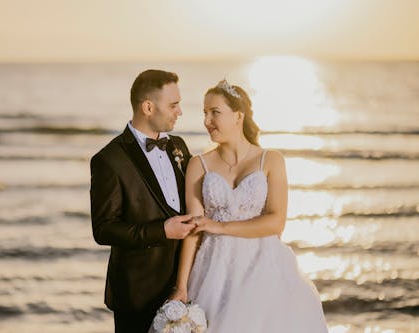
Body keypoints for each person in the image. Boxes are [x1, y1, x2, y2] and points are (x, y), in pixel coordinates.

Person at [169, 80, 328, 332]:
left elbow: (276, 222)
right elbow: (193, 231)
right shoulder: (198, 165)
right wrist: (181, 286)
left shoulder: (271, 160)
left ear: (238, 116)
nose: (207, 121)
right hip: (213, 269)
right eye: (205, 113)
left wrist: (219, 227)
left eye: (215, 112)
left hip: (263, 267)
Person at [90, 69, 195, 333]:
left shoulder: (178, 147)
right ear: (148, 107)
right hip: (137, 293)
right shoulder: (109, 160)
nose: (179, 112)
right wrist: (162, 231)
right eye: (173, 105)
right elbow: (104, 229)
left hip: (185, 286)